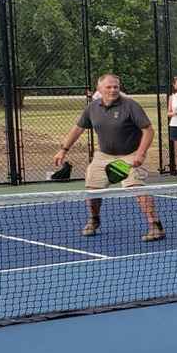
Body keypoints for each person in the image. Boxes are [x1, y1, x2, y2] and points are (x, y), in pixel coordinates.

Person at [55, 74, 165, 241]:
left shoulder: (130, 105)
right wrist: (63, 150)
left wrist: (141, 154)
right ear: (99, 89)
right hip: (103, 156)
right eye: (109, 87)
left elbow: (148, 130)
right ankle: (94, 219)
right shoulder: (92, 108)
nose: (113, 90)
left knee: (136, 188)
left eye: (116, 87)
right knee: (92, 191)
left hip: (130, 155)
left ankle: (155, 226)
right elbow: (77, 129)